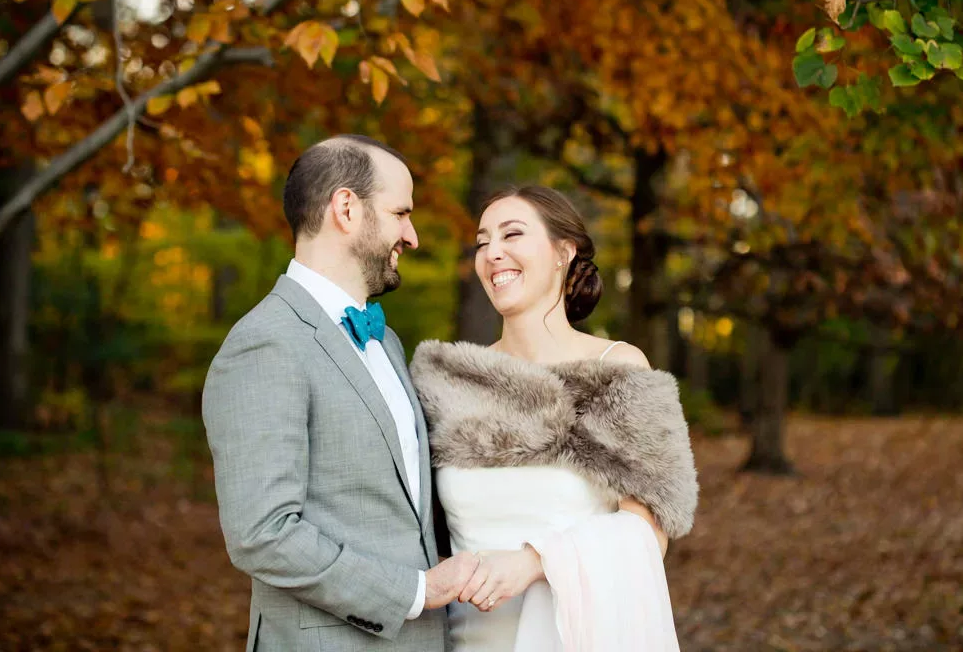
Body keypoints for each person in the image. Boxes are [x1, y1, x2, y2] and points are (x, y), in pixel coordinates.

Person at [203, 135, 479, 651]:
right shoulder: (265, 344)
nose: (413, 236)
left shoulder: (387, 341)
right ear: (347, 209)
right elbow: (263, 534)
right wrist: (416, 590)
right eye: (401, 213)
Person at [411, 185, 699, 651]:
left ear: (564, 252)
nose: (493, 253)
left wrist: (536, 562)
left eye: (512, 235)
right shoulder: (448, 381)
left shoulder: (619, 369)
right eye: (484, 241)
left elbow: (648, 532)